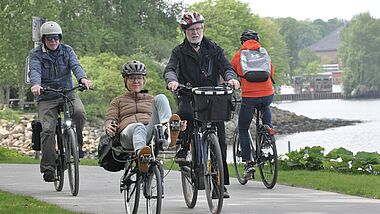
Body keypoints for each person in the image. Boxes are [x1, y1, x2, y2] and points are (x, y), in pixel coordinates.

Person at [164, 12, 240, 198]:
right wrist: (172, 81)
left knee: (220, 140)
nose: (195, 33)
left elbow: (226, 67)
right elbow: (171, 69)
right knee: (185, 113)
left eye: (198, 29)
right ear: (185, 32)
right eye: (191, 30)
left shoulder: (213, 48)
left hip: (213, 97)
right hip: (189, 94)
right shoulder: (179, 52)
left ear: (203, 29)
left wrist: (231, 79)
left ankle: (220, 184)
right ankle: (183, 147)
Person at [29, 21, 93, 182]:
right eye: (50, 38)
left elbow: (76, 65)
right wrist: (36, 85)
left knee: (79, 113)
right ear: (44, 39)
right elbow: (35, 70)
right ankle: (49, 168)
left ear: (60, 38)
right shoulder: (36, 54)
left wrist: (83, 79)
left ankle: (76, 147)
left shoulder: (67, 50)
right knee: (48, 130)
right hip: (46, 95)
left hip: (67, 93)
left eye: (56, 38)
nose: (53, 41)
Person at [104, 60, 182, 172]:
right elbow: (110, 117)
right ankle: (142, 156)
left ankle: (167, 131)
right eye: (132, 78)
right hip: (128, 135)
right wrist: (108, 126)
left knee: (161, 97)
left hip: (149, 131)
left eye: (139, 78)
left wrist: (180, 127)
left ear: (144, 80)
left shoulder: (151, 99)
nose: (136, 81)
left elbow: (161, 113)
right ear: (126, 81)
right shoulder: (118, 101)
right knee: (138, 126)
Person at [230, 30, 275, 180]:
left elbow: (231, 73)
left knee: (243, 129)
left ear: (242, 42)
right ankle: (267, 133)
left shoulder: (239, 55)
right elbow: (271, 72)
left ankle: (249, 164)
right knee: (266, 107)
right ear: (258, 40)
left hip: (249, 96)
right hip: (268, 93)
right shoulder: (264, 53)